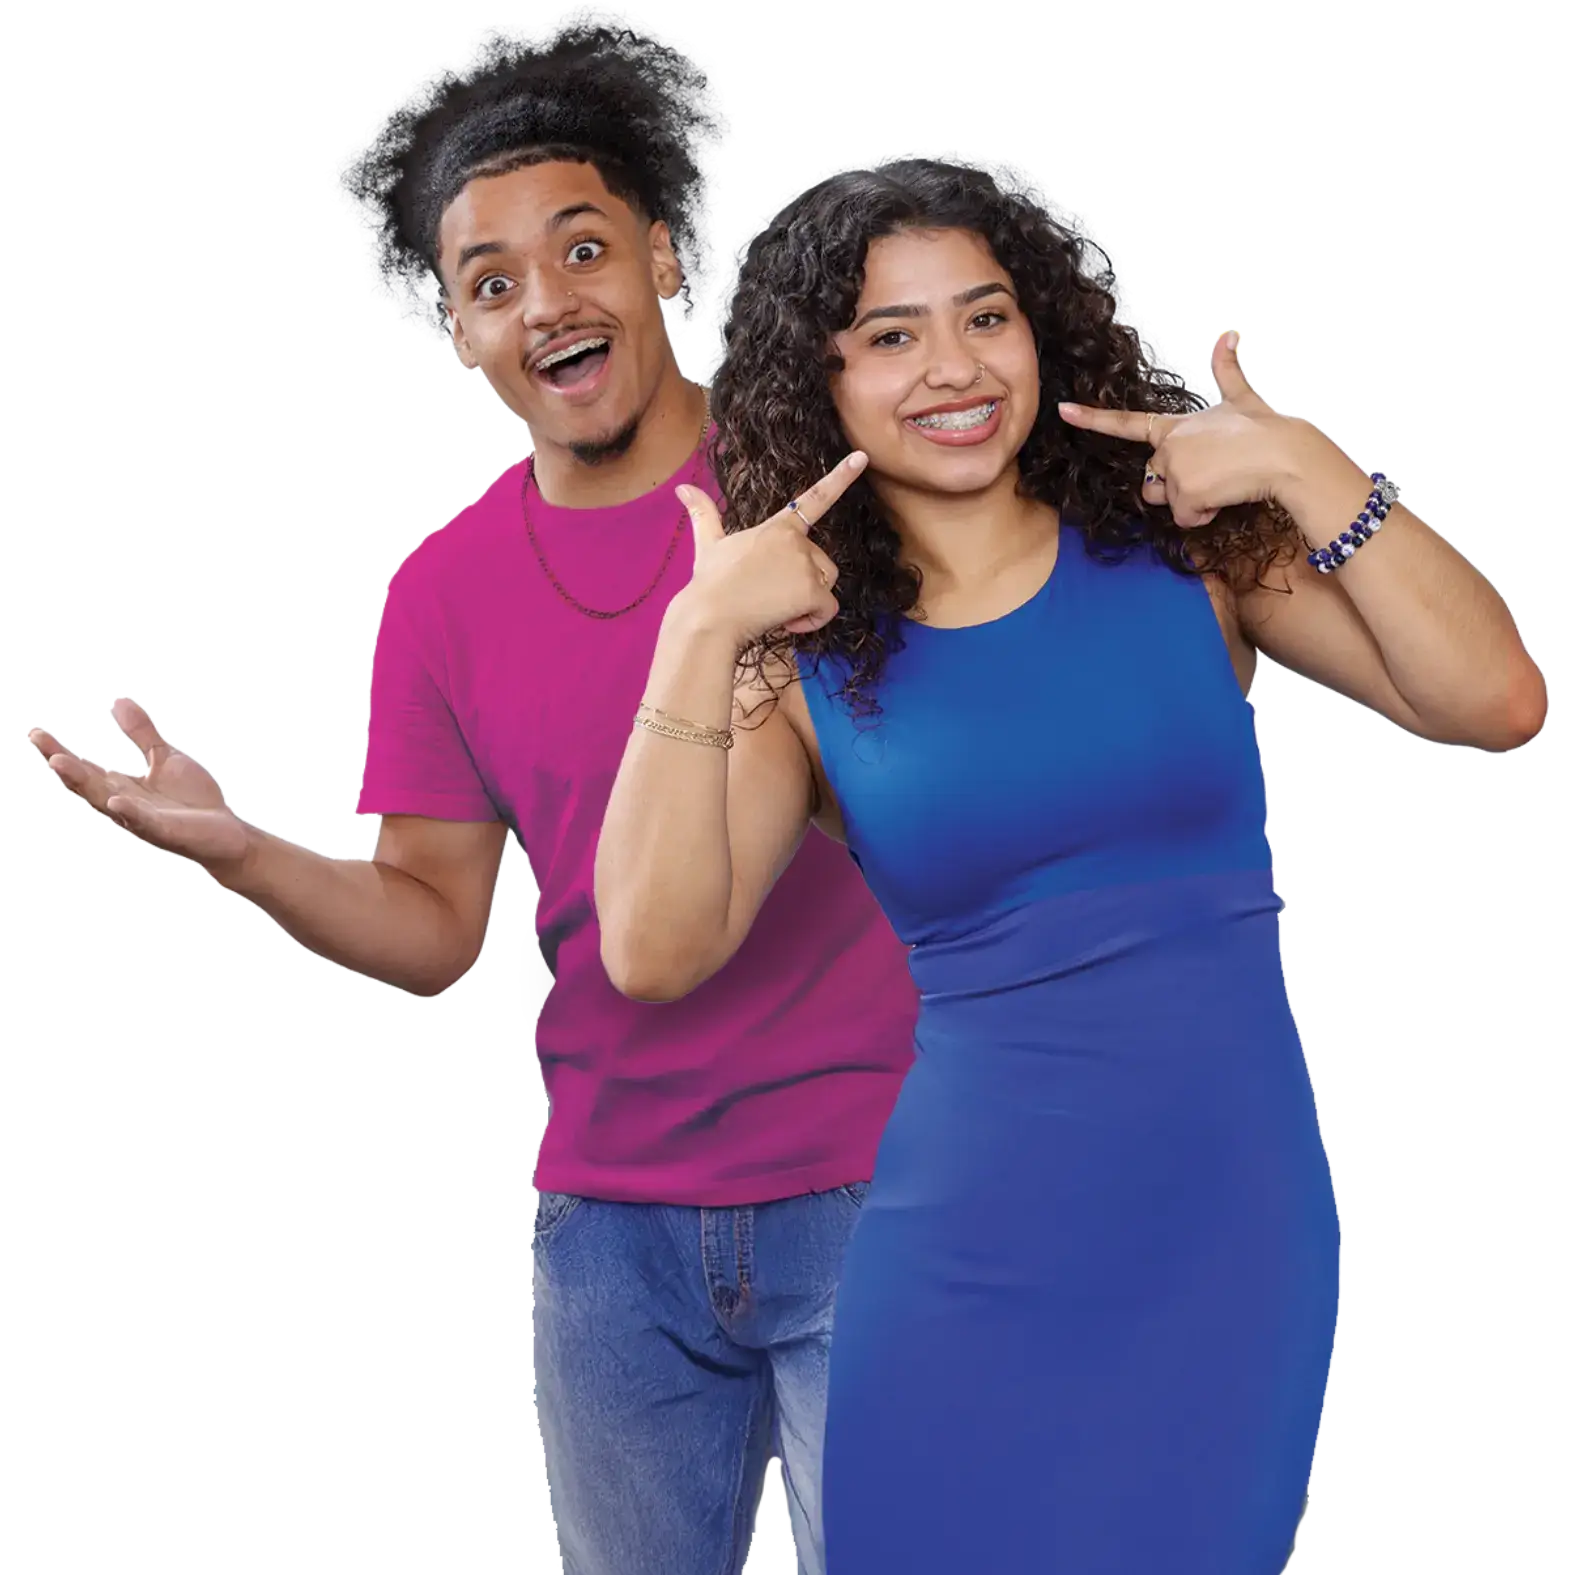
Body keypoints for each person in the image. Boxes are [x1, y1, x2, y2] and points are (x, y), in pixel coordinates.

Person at [24, 20, 917, 1575]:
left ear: (660, 254)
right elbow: (436, 925)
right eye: (492, 282)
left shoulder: (828, 486)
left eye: (581, 248)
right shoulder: (439, 593)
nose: (545, 301)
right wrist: (242, 853)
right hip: (609, 1230)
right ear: (458, 327)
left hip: (886, 1180)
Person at [594, 157, 1548, 1572]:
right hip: (962, 1253)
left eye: (985, 316)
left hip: (1225, 1234)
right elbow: (651, 950)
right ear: (820, 380)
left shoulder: (1187, 550)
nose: (953, 368)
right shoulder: (798, 657)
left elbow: (1497, 702)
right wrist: (697, 637)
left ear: (1039, 328)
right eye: (892, 335)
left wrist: (1307, 465)